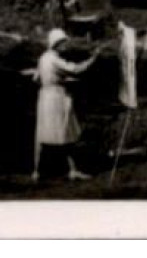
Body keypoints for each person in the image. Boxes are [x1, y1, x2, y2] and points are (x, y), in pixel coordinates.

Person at [28, 27, 103, 182]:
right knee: (66, 132)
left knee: (42, 134)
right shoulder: (55, 59)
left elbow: (36, 78)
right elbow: (76, 69)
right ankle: (72, 170)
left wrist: (57, 81)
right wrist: (93, 58)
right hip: (57, 98)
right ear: (56, 44)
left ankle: (37, 172)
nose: (65, 46)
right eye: (62, 43)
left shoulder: (43, 58)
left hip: (44, 97)